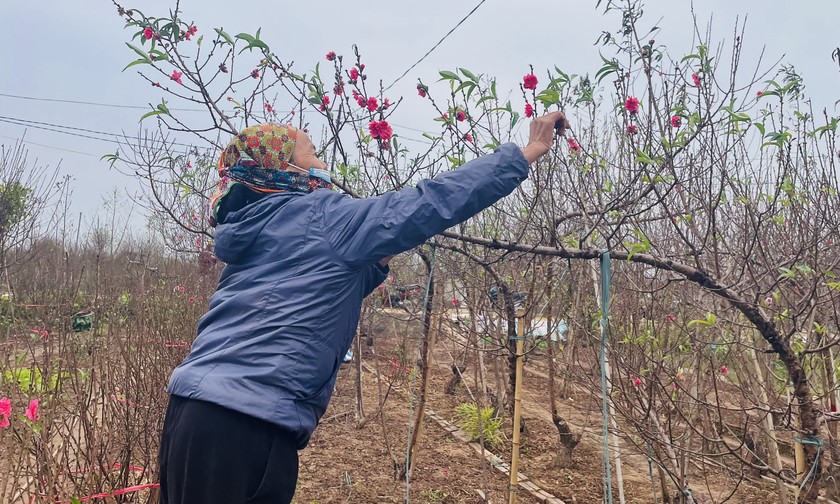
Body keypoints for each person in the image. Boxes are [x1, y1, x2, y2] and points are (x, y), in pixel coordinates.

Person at [158, 111, 570, 504]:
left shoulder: (260, 225)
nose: (322, 163)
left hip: (191, 416)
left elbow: (328, 276)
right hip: (242, 427)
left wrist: (386, 244)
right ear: (284, 171)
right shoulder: (322, 217)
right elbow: (431, 202)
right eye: (312, 154)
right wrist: (526, 152)